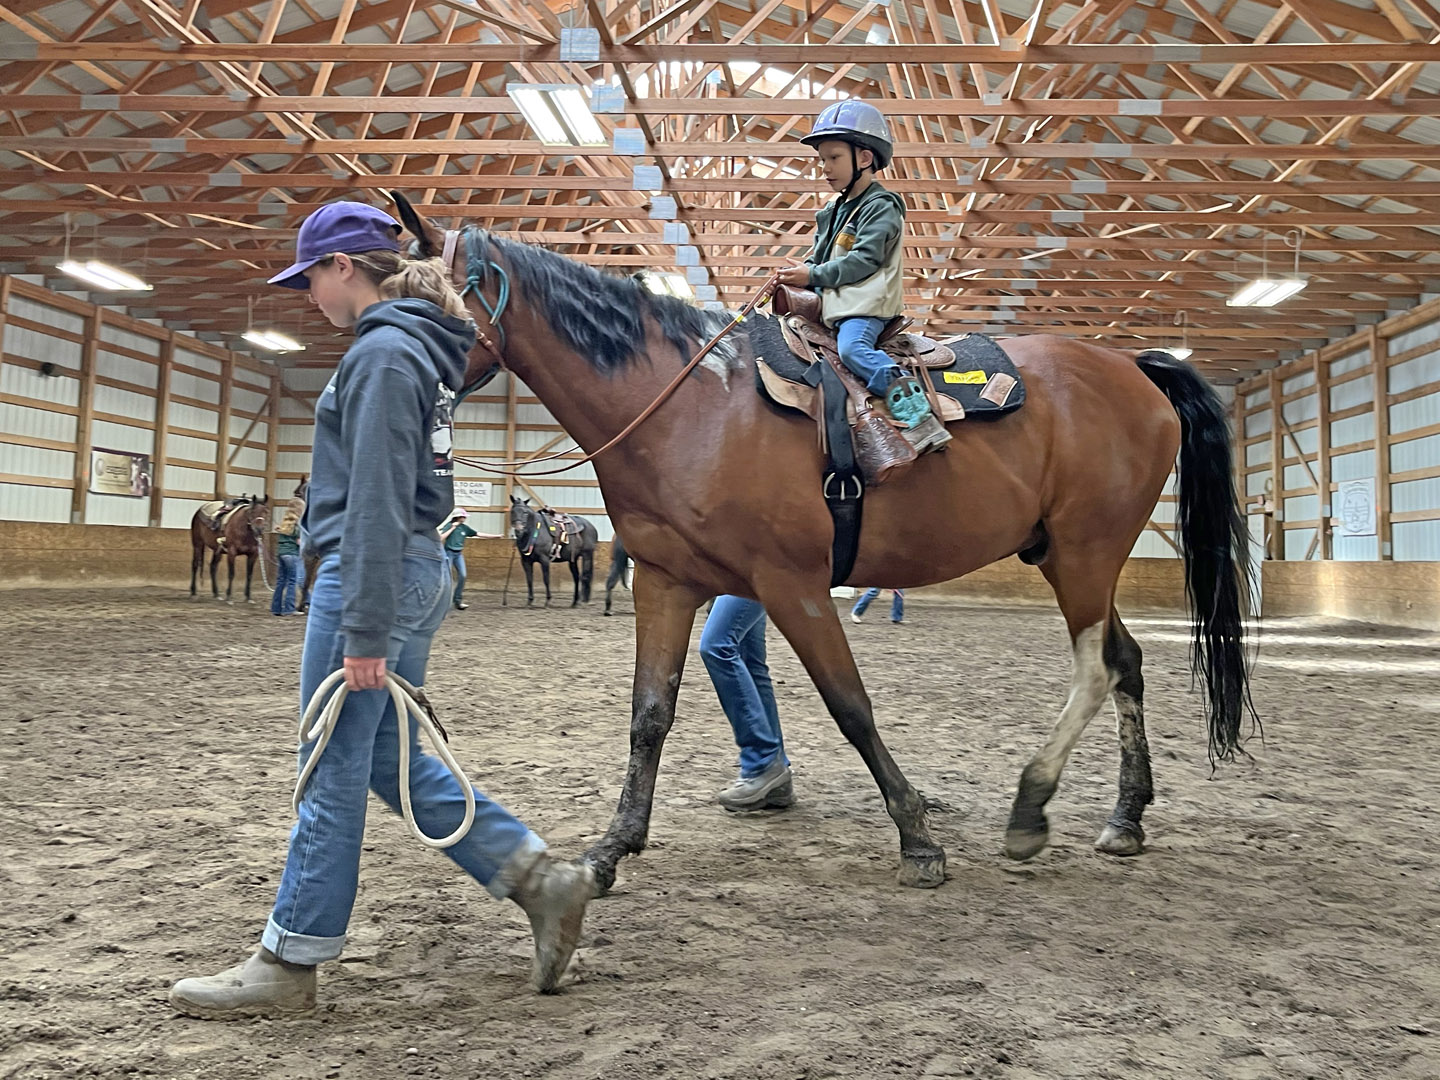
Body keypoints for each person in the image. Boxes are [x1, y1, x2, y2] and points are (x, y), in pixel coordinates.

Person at [170, 200, 593, 1020]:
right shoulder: (415, 350)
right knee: (383, 759)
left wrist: (361, 630)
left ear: (343, 267)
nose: (308, 296)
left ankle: (290, 958)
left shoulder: (384, 354)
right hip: (409, 568)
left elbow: (374, 497)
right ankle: (540, 880)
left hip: (373, 573)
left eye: (310, 279)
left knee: (329, 764)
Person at [777, 99, 950, 455]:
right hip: (836, 307)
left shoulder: (880, 206)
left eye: (834, 157)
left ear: (865, 158)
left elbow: (864, 260)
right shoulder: (834, 210)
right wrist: (798, 273)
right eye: (821, 159)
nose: (825, 167)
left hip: (865, 307)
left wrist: (812, 274)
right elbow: (820, 257)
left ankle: (916, 412)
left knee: (852, 349)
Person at [699, 596, 794, 812]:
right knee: (750, 662)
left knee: (716, 645)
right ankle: (776, 776)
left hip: (751, 574)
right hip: (744, 575)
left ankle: (762, 761)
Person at [438, 507, 477, 610]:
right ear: (458, 517)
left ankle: (457, 600)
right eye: (463, 516)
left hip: (458, 554)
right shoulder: (449, 525)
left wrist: (495, 536)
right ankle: (443, 601)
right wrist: (452, 528)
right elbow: (441, 538)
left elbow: (477, 533)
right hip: (449, 553)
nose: (465, 518)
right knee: (447, 578)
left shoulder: (464, 528)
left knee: (463, 575)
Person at [270, 507, 303, 616]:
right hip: (292, 554)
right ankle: (289, 608)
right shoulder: (297, 528)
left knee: (281, 581)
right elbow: (299, 542)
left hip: (281, 554)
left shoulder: (283, 528)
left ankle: (276, 608)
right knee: (292, 581)